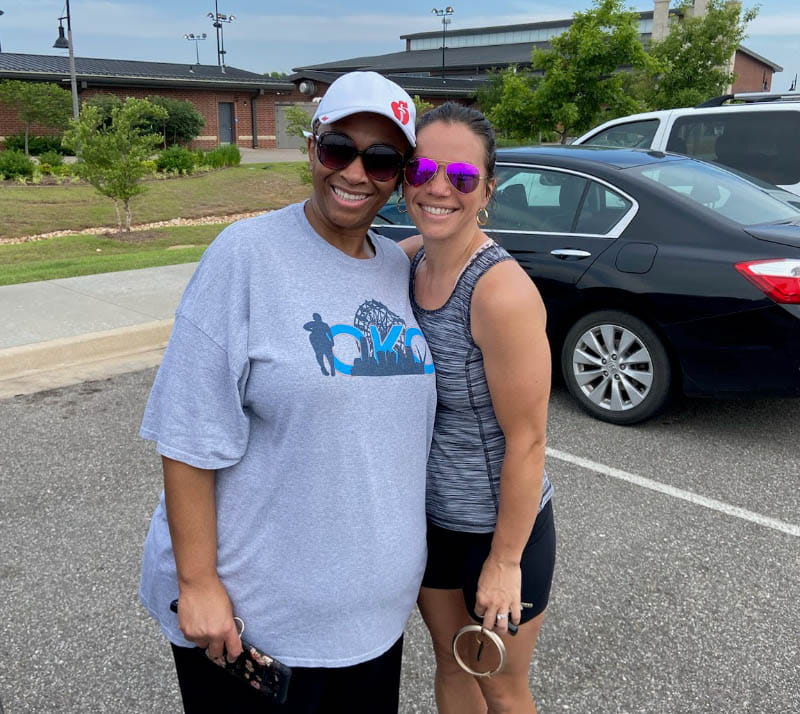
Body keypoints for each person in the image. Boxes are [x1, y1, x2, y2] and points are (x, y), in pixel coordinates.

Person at [138, 71, 437, 714]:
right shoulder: (245, 255)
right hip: (257, 624)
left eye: (382, 158)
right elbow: (190, 431)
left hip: (371, 624)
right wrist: (198, 583)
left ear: (403, 173)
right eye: (339, 149)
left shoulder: (395, 268)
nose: (357, 173)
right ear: (311, 147)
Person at [399, 102, 555, 713]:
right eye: (423, 169)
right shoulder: (406, 261)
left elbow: (529, 441)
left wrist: (504, 560)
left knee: (501, 685)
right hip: (430, 520)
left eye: (461, 177)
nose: (439, 187)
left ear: (487, 189)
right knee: (452, 663)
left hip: (498, 529)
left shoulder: (500, 292)